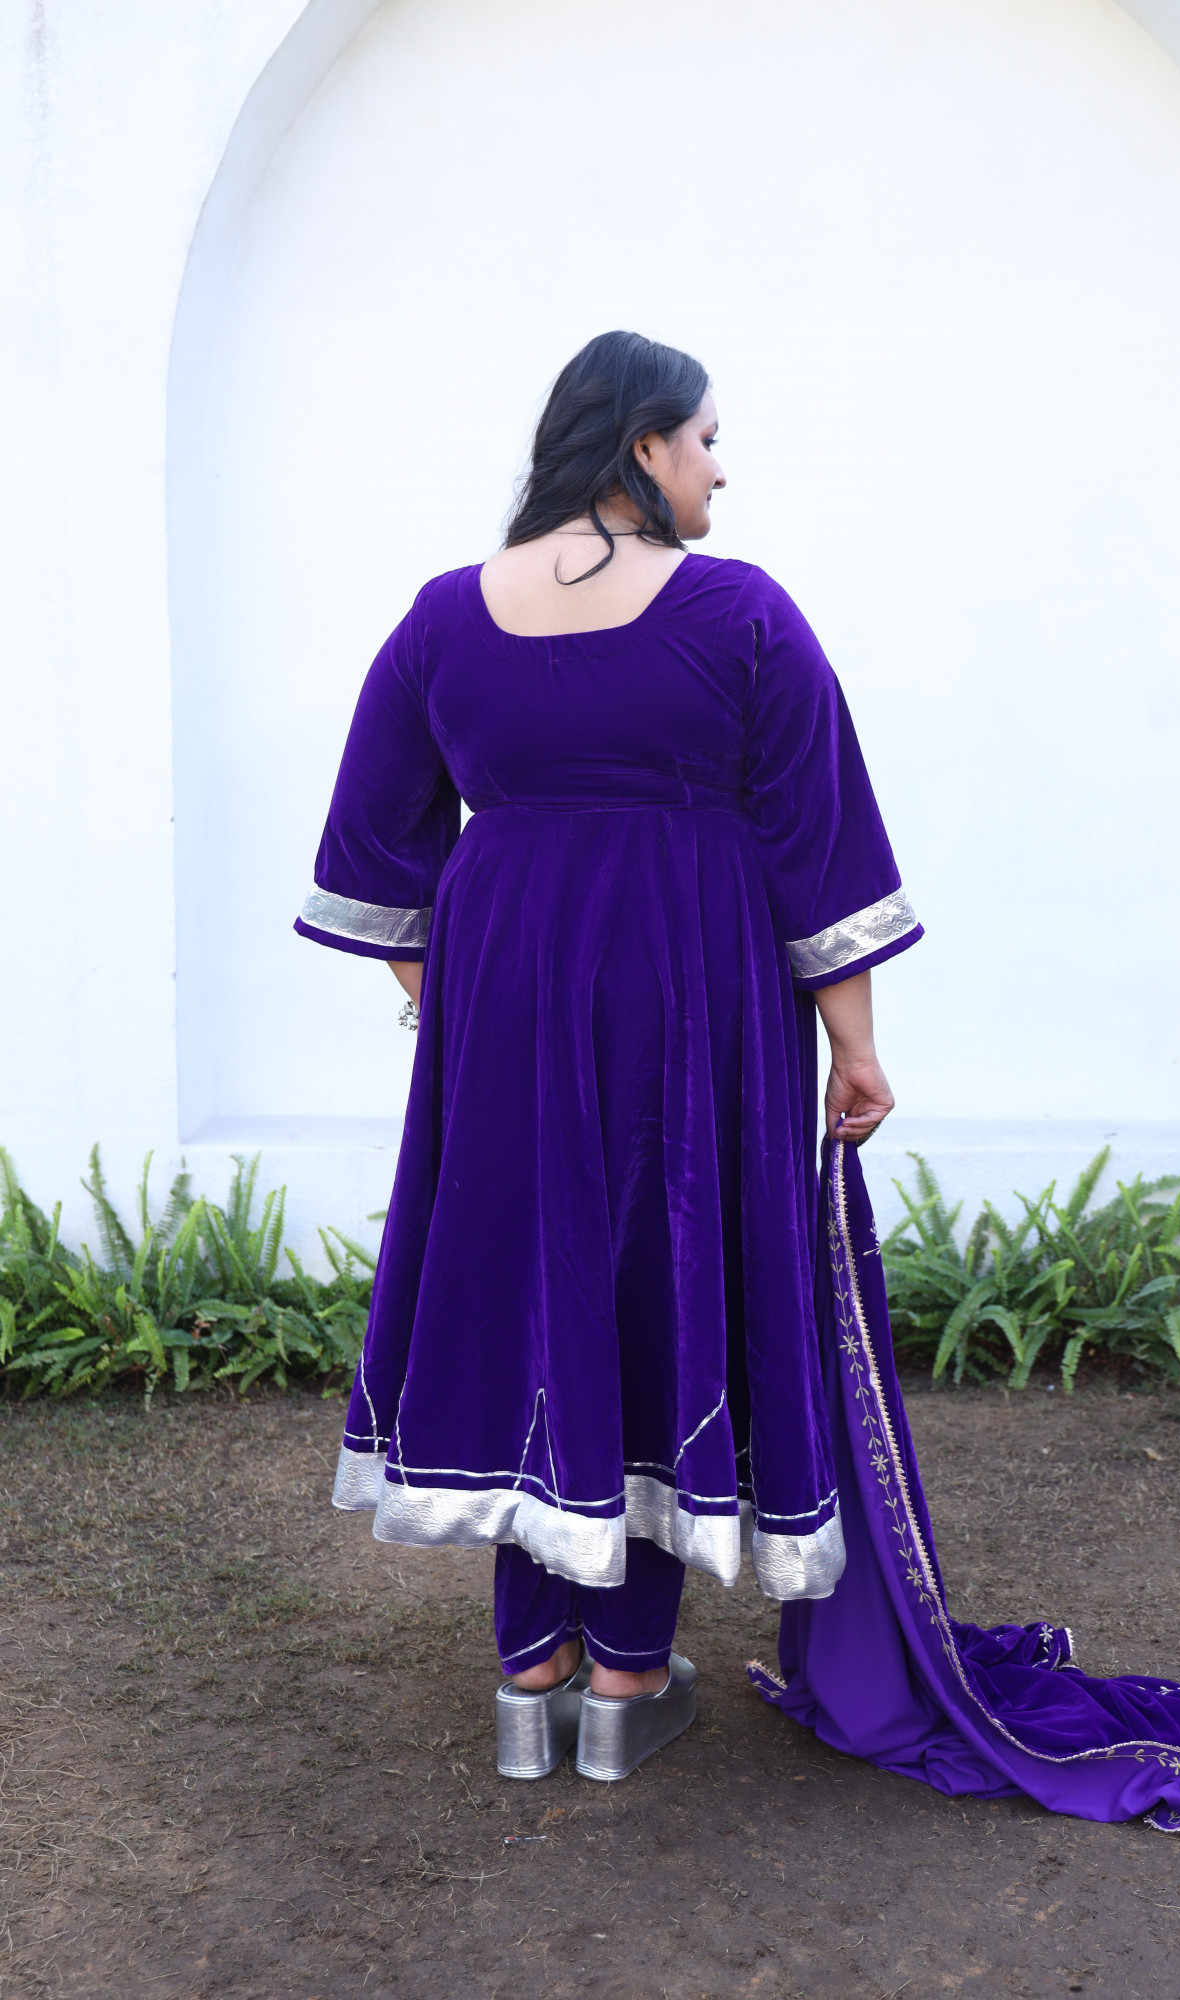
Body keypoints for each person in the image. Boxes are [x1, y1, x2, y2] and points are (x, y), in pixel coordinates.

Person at [296, 330, 922, 1781]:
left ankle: (532, 1683)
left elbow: (376, 842)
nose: (720, 466)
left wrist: (441, 995)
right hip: (689, 999)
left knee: (529, 1279)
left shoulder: (446, 618)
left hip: (502, 1003)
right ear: (642, 445)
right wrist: (856, 1048)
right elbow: (816, 840)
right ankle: (627, 1683)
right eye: (707, 437)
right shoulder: (739, 616)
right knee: (658, 1281)